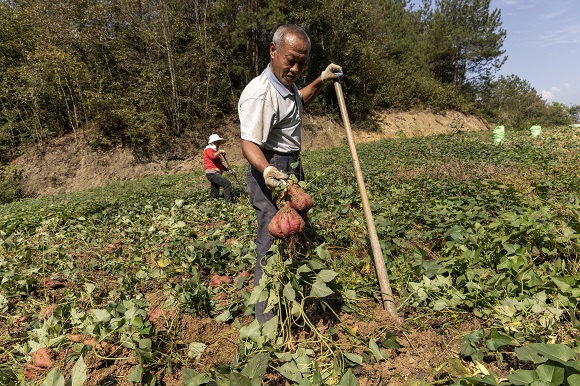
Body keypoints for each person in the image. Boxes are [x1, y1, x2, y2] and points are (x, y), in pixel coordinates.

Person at [238, 24, 343, 323]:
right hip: (270, 166)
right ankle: (266, 320)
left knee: (296, 232)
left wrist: (321, 80)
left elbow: (299, 101)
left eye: (302, 63)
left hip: (290, 164)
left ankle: (293, 300)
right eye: (290, 60)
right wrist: (268, 170)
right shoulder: (261, 94)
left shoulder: (285, 85)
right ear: (273, 50)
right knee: (271, 239)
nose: (296, 68)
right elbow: (248, 143)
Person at [203, 134, 232, 203]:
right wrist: (220, 152)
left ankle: (211, 202)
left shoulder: (215, 151)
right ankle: (228, 203)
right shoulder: (208, 149)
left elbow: (219, 164)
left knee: (215, 190)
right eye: (217, 142)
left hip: (216, 173)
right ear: (213, 142)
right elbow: (213, 157)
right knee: (227, 184)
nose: (219, 143)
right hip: (212, 173)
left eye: (219, 142)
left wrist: (227, 169)